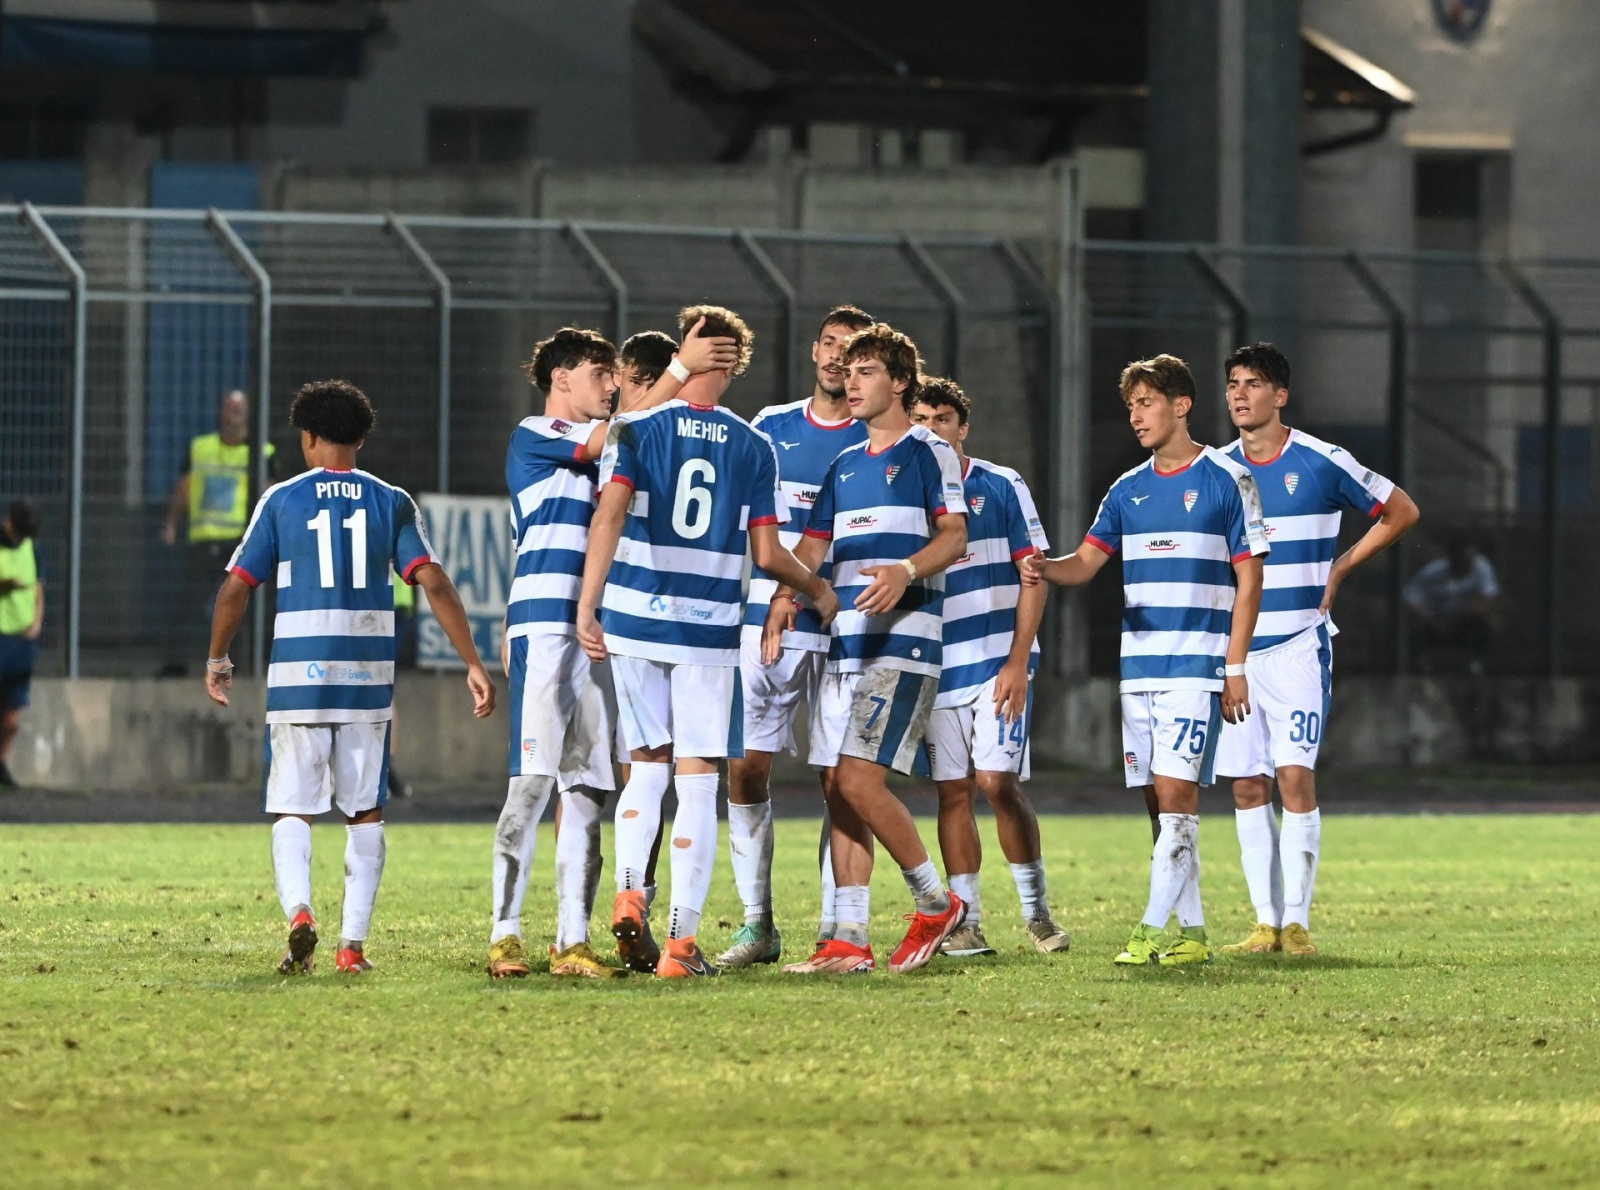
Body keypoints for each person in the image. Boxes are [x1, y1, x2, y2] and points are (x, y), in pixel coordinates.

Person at [576, 304, 838, 979]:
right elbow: (769, 552)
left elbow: (608, 515)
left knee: (645, 764)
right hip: (708, 626)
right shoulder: (754, 447)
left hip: (634, 615)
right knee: (698, 780)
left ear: (688, 350)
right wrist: (815, 589)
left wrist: (589, 604)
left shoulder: (639, 427)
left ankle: (632, 889)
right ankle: (681, 946)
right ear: (735, 364)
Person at [205, 379, 495, 975]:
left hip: (298, 679)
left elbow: (236, 586)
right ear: (361, 437)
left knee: (293, 808)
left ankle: (301, 915)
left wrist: (218, 658)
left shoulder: (282, 499)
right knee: (364, 811)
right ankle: (351, 948)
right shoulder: (392, 501)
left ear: (308, 438)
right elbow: (433, 581)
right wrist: (472, 662)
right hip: (366, 680)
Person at [489, 320, 737, 980]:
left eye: (616, 377)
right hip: (547, 623)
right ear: (560, 379)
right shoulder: (537, 435)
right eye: (601, 376)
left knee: (586, 789)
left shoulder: (610, 452)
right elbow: (617, 434)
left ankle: (572, 940)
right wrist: (679, 373)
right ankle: (504, 933)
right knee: (533, 780)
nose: (611, 387)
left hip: (604, 630)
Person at [1024, 354, 1268, 967]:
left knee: (1177, 797)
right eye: (1130, 405)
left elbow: (1251, 577)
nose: (1135, 416)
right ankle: (1194, 933)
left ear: (1181, 406)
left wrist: (1234, 667)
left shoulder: (1226, 478)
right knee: (1160, 807)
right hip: (1140, 672)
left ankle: (1150, 929)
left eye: (1147, 403)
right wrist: (1044, 568)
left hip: (1196, 669)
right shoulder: (1127, 488)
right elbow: (1085, 562)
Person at [772, 324, 970, 976]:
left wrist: (905, 571)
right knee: (839, 787)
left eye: (865, 372)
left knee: (859, 777)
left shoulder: (926, 453)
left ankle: (934, 902)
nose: (850, 381)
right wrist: (785, 597)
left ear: (900, 382)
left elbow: (953, 537)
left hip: (903, 644)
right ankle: (847, 940)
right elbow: (812, 552)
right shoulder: (845, 463)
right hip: (844, 647)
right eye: (847, 371)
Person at [1215, 343, 1420, 957]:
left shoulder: (1321, 461)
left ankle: (1297, 923)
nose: (1240, 394)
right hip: (1236, 656)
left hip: (1300, 648)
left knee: (1294, 778)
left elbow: (1400, 511)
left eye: (1253, 383)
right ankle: (1264, 923)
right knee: (1248, 786)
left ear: (1280, 396)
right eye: (1232, 383)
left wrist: (1342, 566)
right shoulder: (1217, 469)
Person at [722, 304, 873, 969]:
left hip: (845, 626)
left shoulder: (880, 442)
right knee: (746, 765)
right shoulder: (770, 429)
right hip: (765, 621)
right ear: (815, 352)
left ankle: (836, 928)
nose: (839, 357)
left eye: (853, 349)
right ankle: (757, 925)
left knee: (841, 780)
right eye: (831, 345)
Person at [908, 379, 1072, 956]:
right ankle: (967, 922)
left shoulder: (1000, 485)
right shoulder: (902, 495)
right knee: (952, 793)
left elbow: (1036, 574)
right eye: (920, 418)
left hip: (997, 665)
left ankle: (1037, 913)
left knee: (997, 783)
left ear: (963, 427)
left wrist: (1019, 660)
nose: (932, 429)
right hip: (935, 667)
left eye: (943, 418)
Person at [162, 390, 277, 675]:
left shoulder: (261, 452)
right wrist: (172, 523)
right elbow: (184, 487)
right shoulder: (202, 448)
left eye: (238, 409)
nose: (232, 415)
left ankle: (239, 664)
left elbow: (272, 494)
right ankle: (177, 664)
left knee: (241, 605)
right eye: (228, 408)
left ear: (248, 414)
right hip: (205, 539)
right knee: (188, 604)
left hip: (241, 541)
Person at [0, 500, 44, 788]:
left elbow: (39, 587)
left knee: (13, 717)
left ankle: (1, 765)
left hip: (21, 641)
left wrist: (37, 622)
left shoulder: (31, 548)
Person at [1405, 539, 1495, 675]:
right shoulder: (1434, 571)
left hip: (1465, 620)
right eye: (1462, 558)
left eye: (1470, 558)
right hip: (1436, 619)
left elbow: (1488, 597)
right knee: (1414, 626)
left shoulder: (1481, 567)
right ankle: (1421, 664)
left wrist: (1468, 612)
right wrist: (1429, 617)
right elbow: (1411, 595)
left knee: (1489, 622)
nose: (1466, 563)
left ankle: (1477, 663)